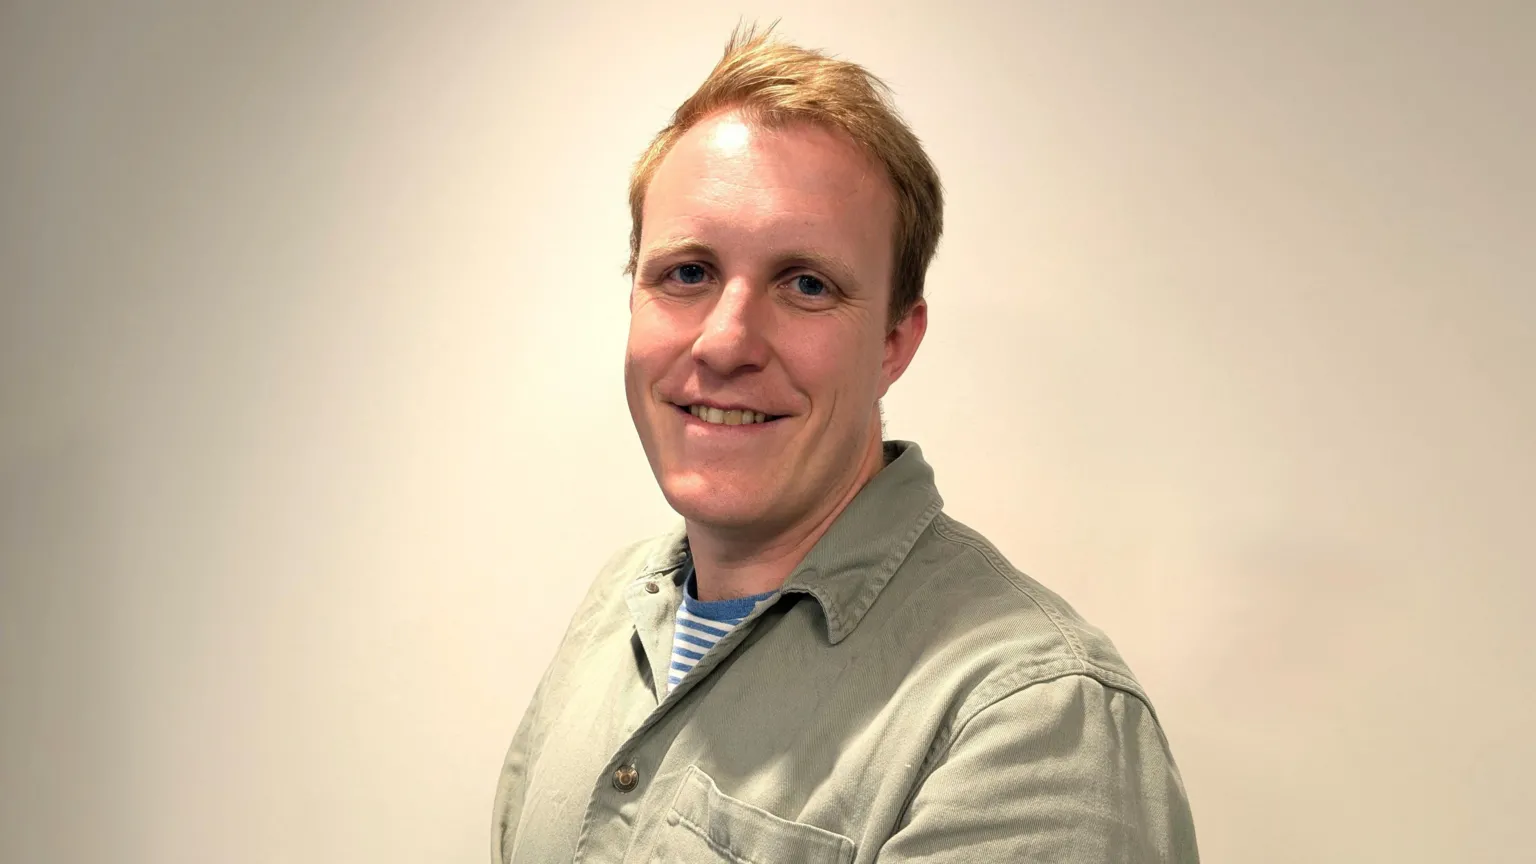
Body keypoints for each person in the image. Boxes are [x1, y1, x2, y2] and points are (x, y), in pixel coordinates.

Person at [491, 24, 1198, 863]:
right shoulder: (616, 606)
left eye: (806, 284)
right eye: (688, 273)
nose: (726, 342)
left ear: (895, 342)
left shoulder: (1030, 721)